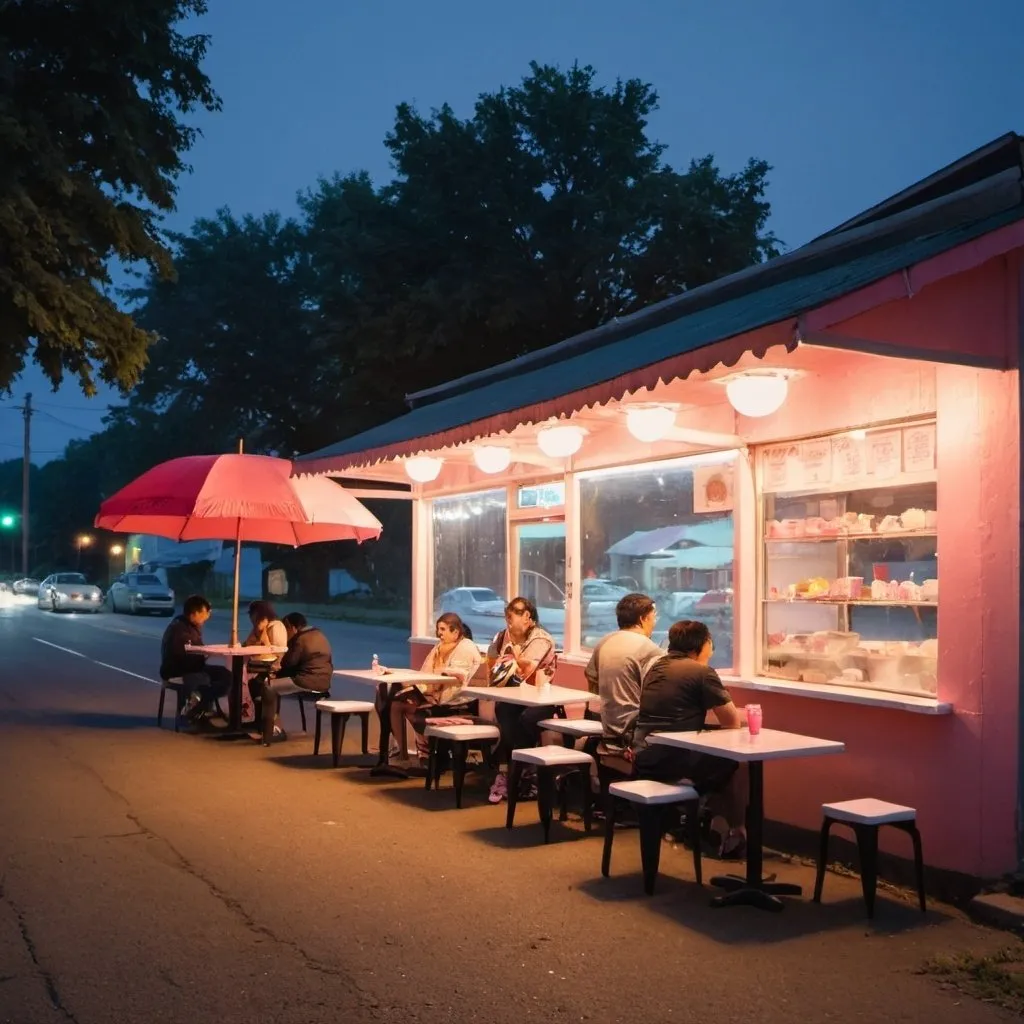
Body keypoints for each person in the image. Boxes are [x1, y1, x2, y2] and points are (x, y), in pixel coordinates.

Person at [632, 619, 747, 858]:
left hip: (643, 755)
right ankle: (734, 830)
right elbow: (732, 722)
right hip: (671, 760)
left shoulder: (655, 667)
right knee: (737, 763)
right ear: (701, 646)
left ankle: (703, 818)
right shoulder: (702, 672)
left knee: (717, 762)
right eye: (710, 644)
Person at [384, 613, 483, 764]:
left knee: (404, 704)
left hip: (455, 702)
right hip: (435, 695)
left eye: (443, 629)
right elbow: (426, 674)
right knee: (395, 699)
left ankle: (426, 749)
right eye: (439, 629)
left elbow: (457, 678)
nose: (439, 633)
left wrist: (435, 680)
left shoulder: (466, 647)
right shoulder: (439, 647)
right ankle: (406, 754)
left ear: (455, 632)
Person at [486, 597, 557, 804]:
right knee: (504, 710)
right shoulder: (501, 637)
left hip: (540, 699)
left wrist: (513, 659)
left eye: (515, 612)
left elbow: (524, 673)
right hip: (512, 697)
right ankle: (521, 772)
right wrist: (510, 661)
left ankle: (511, 771)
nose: (509, 617)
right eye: (507, 612)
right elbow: (492, 669)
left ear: (528, 617)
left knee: (526, 718)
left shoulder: (540, 639)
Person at [585, 592, 663, 757]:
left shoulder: (604, 641)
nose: (655, 622)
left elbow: (592, 684)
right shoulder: (651, 649)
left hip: (605, 733)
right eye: (654, 616)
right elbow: (657, 697)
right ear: (643, 619)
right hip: (632, 737)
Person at [250, 612, 333, 745]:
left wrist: (274, 673)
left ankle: (270, 732)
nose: (285, 636)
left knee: (269, 687)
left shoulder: (300, 639)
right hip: (324, 682)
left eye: (285, 631)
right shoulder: (320, 635)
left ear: (290, 626)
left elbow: (287, 665)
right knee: (273, 685)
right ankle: (268, 726)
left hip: (306, 681)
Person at [159, 594, 232, 723]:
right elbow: (182, 656)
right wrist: (203, 655)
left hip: (194, 666)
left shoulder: (192, 627)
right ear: (194, 613)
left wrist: (204, 654)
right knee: (202, 679)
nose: (208, 616)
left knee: (226, 675)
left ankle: (199, 703)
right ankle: (196, 712)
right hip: (178, 669)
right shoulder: (178, 629)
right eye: (205, 612)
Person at [242, 600, 288, 724]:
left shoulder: (275, 626)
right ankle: (256, 719)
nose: (250, 618)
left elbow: (276, 650)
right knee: (249, 683)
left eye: (252, 614)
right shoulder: (257, 627)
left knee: (256, 684)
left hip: (272, 666)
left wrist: (262, 632)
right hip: (257, 664)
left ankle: (265, 721)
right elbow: (246, 645)